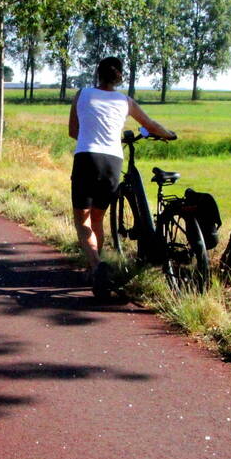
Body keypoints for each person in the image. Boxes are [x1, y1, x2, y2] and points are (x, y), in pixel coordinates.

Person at [68, 56, 176, 297]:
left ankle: (96, 265)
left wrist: (90, 138)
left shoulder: (81, 94)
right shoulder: (126, 101)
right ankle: (97, 265)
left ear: (98, 74)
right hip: (113, 162)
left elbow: (73, 131)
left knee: (82, 220)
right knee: (97, 218)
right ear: (119, 77)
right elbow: (151, 124)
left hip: (86, 159)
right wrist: (169, 134)